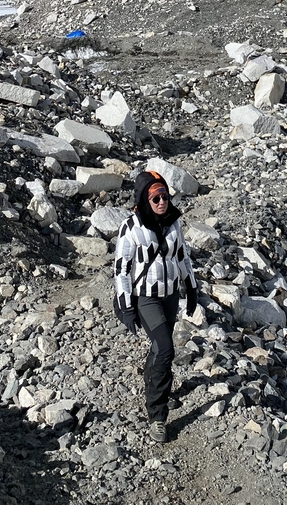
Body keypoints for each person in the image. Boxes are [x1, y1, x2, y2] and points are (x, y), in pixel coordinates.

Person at [114, 170, 197, 443]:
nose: (162, 202)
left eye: (165, 196)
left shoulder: (173, 223)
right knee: (165, 348)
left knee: (158, 348)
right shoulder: (131, 227)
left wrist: (192, 287)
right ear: (143, 200)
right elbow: (122, 270)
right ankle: (157, 415)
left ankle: (154, 388)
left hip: (170, 294)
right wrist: (127, 307)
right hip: (145, 298)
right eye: (155, 198)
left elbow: (182, 255)